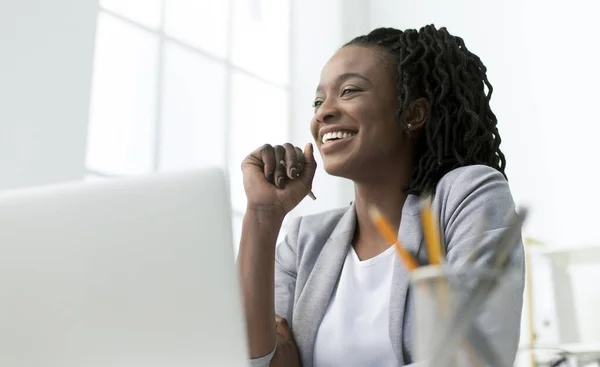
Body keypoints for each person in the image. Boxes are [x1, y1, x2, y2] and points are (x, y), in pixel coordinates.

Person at [237, 25, 524, 367]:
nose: (323, 112)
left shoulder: (468, 195)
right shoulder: (304, 243)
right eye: (318, 100)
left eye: (349, 91)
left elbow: (473, 358)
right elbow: (252, 362)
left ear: (413, 113)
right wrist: (261, 216)